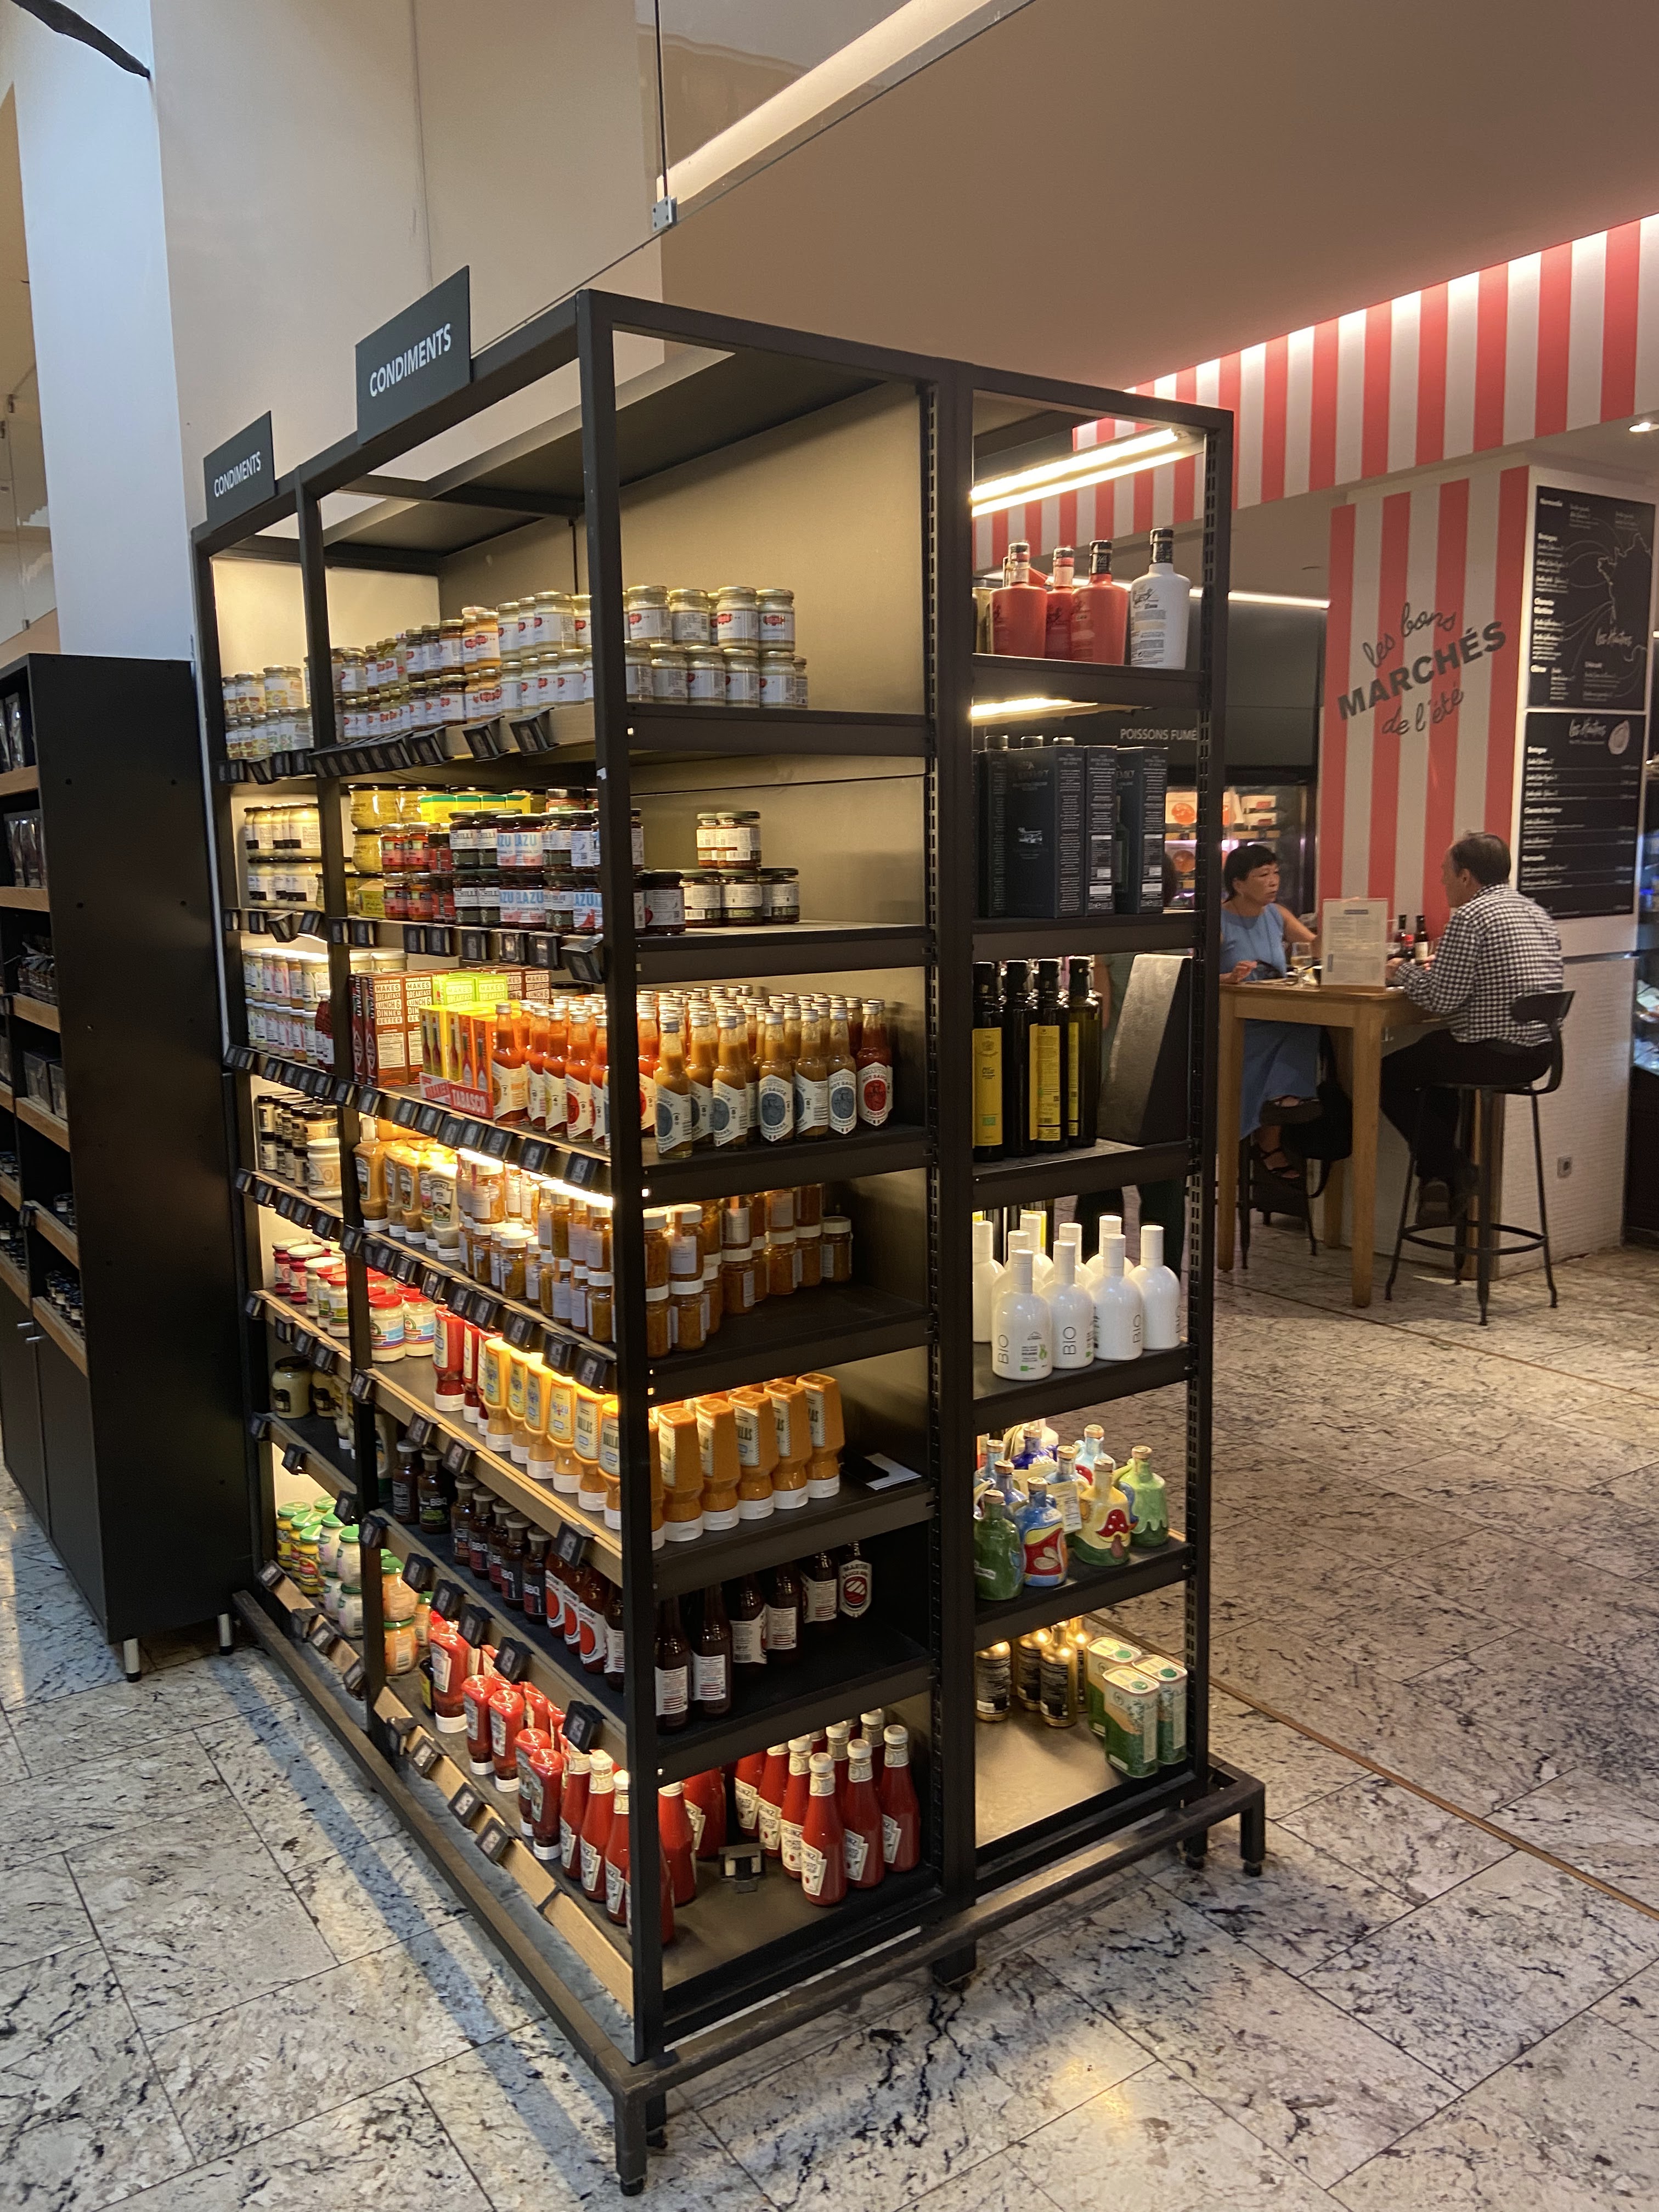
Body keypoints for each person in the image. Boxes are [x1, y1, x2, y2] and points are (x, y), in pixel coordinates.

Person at [1381, 831, 1563, 1227]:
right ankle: (1437, 1182)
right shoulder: (1536, 912)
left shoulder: (1471, 916)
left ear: (1465, 876)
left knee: (1386, 1075)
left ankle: (1451, 1168)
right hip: (1539, 1055)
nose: (1441, 880)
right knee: (1436, 1061)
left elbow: (1442, 999)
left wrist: (1400, 971)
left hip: (1492, 1055)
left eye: (1445, 872)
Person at [1220, 843, 1318, 1186]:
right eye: (1263, 875)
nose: (1274, 881)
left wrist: (1346, 923)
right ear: (1239, 884)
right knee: (1295, 1028)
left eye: (1276, 873)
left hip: (1274, 1011)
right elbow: (1193, 975)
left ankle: (1279, 1108)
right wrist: (1228, 978)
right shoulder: (1218, 919)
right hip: (1234, 1019)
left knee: (1308, 1023)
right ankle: (1271, 1132)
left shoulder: (1277, 914)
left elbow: (1313, 947)